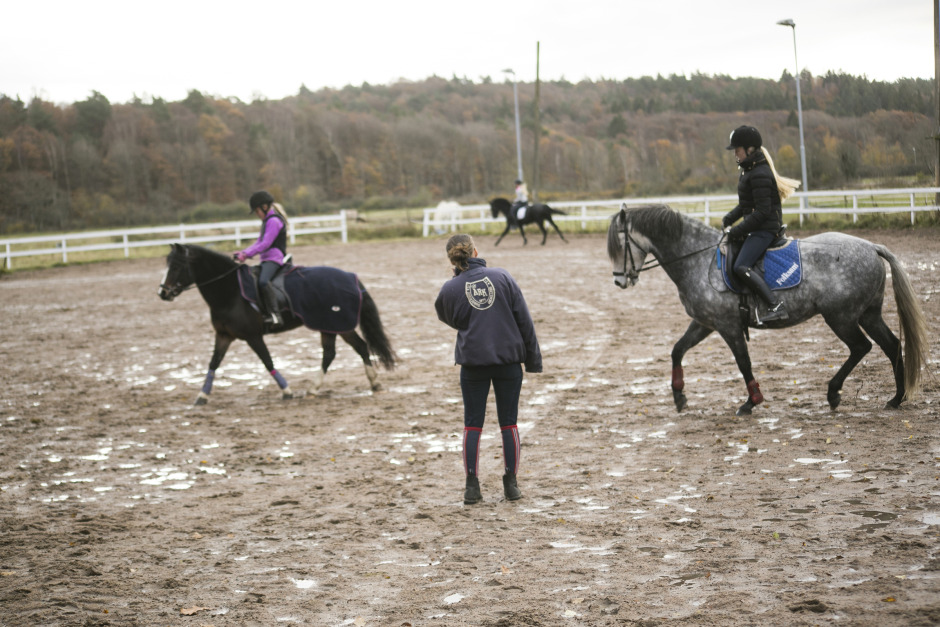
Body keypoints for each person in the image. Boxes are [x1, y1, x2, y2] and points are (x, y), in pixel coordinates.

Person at [434, 234, 542, 505]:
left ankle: (472, 486)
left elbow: (449, 317)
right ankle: (511, 484)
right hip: (508, 362)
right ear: (476, 251)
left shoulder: (450, 289)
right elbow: (524, 320)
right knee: (509, 423)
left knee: (473, 424)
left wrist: (471, 323)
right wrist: (533, 361)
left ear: (452, 259)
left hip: (473, 363)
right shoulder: (503, 277)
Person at [722, 125, 800, 323]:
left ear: (749, 149)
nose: (735, 155)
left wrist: (736, 231)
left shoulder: (759, 173)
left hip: (766, 230)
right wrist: (730, 218)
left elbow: (763, 212)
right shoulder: (749, 170)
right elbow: (747, 205)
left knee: (741, 266)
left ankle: (776, 305)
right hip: (757, 227)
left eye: (737, 150)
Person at [234, 190, 289, 328]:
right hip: (265, 259)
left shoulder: (274, 221)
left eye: (257, 211)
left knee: (263, 282)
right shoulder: (266, 222)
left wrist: (246, 255)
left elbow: (266, 244)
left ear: (265, 207)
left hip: (274, 259)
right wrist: (244, 252)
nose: (257, 214)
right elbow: (259, 242)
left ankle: (276, 315)